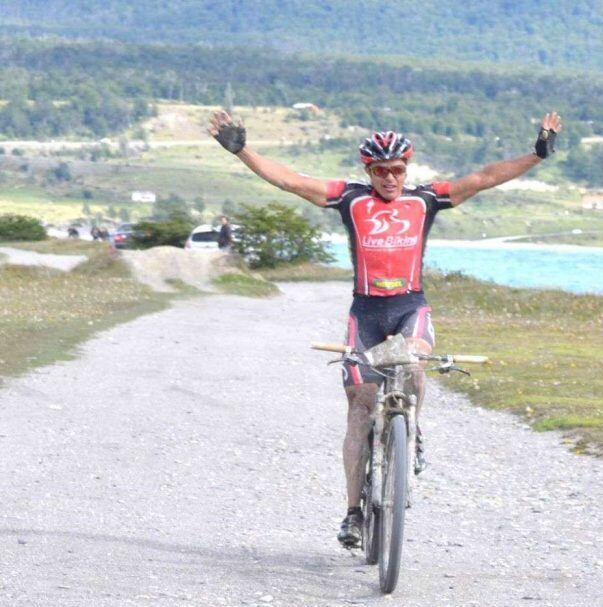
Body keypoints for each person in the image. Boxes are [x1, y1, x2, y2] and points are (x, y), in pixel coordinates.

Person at [209, 109, 562, 547]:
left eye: (397, 170)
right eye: (381, 171)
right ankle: (353, 513)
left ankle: (413, 433)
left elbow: (485, 177)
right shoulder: (350, 199)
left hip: (410, 306)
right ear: (369, 171)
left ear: (406, 169)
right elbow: (290, 180)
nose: (390, 178)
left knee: (414, 361)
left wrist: (537, 154)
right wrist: (243, 150)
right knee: (358, 408)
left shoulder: (426, 199)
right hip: (366, 314)